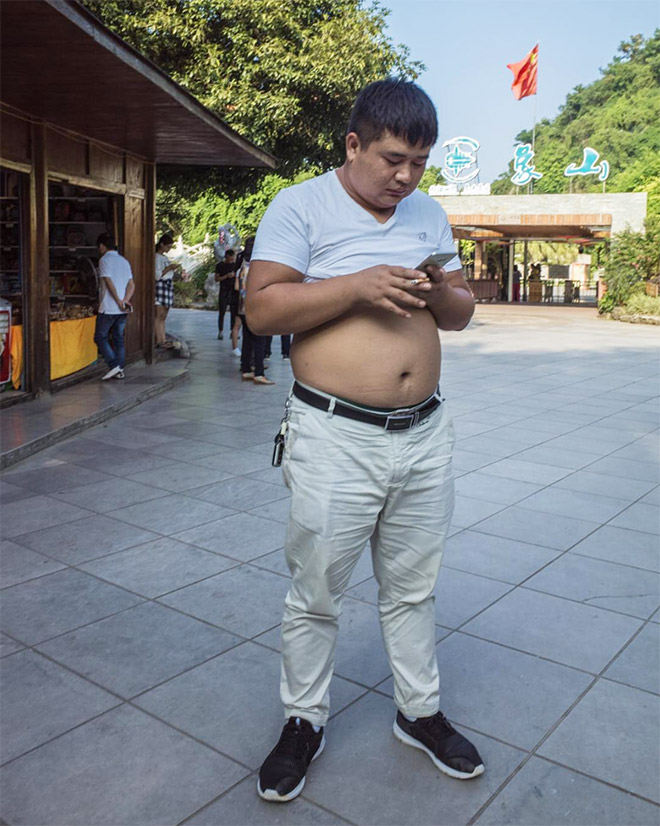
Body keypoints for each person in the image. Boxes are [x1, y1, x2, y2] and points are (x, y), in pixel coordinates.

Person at [247, 79, 483, 803]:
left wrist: (440, 291)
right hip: (334, 434)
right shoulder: (300, 204)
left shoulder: (428, 211)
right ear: (353, 145)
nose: (405, 177)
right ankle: (303, 721)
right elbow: (261, 310)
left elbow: (461, 312)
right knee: (318, 592)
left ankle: (419, 712)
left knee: (413, 588)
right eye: (391, 159)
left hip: (423, 433)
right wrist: (358, 286)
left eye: (418, 162)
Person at [94, 232, 134, 380]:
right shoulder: (124, 261)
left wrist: (118, 300)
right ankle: (120, 369)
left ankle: (114, 365)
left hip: (108, 307)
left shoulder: (104, 260)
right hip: (122, 309)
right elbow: (131, 284)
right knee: (118, 338)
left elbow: (108, 282)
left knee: (100, 337)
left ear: (102, 246)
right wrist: (125, 300)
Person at [238, 238, 274, 385]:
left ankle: (246, 369)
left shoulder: (243, 268)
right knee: (260, 341)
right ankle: (259, 373)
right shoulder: (255, 270)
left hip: (243, 308)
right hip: (256, 308)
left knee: (247, 340)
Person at [154, 233, 178, 347]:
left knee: (163, 316)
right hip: (161, 285)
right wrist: (169, 268)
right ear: (162, 244)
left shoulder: (165, 258)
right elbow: (157, 275)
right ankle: (160, 340)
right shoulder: (156, 257)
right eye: (168, 246)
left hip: (167, 285)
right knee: (159, 315)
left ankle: (163, 339)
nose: (169, 249)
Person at [215, 248, 237, 341]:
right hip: (224, 289)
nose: (231, 260)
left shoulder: (235, 265)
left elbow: (239, 275)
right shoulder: (220, 265)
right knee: (222, 311)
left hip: (233, 290)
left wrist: (234, 275)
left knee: (234, 312)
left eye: (233, 258)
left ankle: (233, 331)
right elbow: (217, 279)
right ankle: (220, 331)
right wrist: (226, 276)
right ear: (226, 257)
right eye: (230, 258)